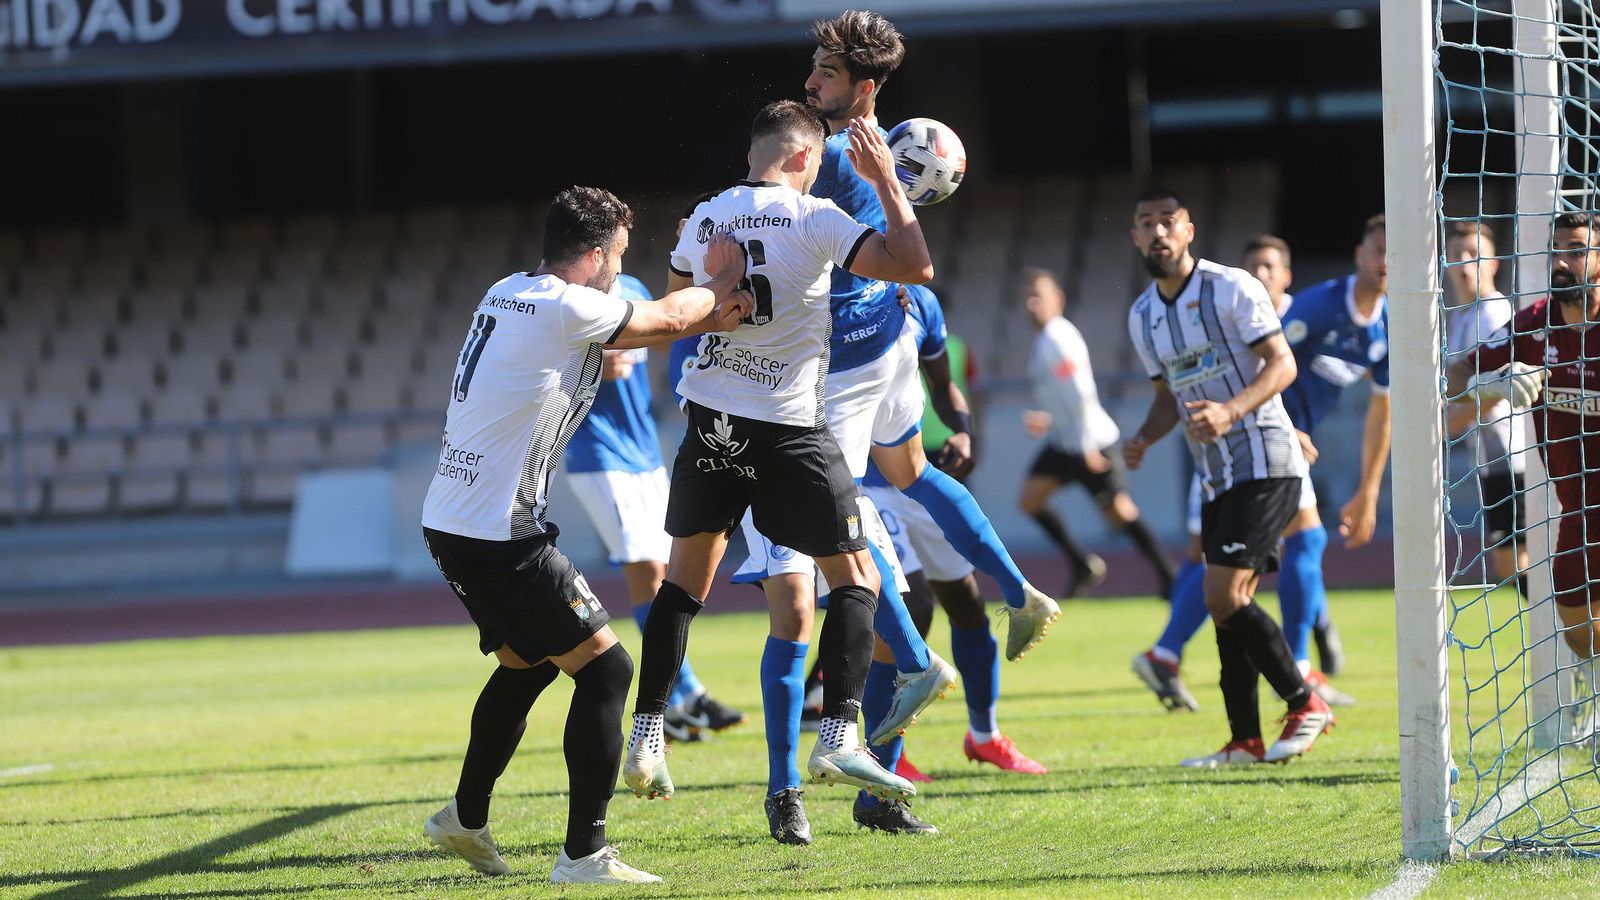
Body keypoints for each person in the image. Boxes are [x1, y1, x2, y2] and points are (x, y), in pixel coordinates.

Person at [418, 186, 749, 884]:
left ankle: (464, 817)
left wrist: (607, 353)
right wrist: (721, 278)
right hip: (497, 530)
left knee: (527, 663)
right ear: (595, 256)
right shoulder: (569, 305)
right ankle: (583, 854)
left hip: (451, 519)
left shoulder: (508, 289)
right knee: (607, 669)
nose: (617, 271)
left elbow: (545, 362)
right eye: (618, 257)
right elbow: (665, 315)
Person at [623, 100, 936, 809]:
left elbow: (677, 316)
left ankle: (646, 732)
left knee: (681, 588)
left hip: (712, 424)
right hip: (790, 429)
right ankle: (838, 736)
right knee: (857, 578)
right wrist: (887, 180)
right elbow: (915, 266)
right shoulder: (815, 215)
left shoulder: (706, 217)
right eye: (819, 160)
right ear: (801, 157)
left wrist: (718, 289)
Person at [1123, 189, 1333, 767]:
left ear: (1188, 230)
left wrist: (1230, 411)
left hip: (1267, 461)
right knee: (1228, 603)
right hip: (1216, 476)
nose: (1159, 232)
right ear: (1135, 238)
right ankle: (1245, 740)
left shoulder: (1230, 287)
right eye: (1147, 224)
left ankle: (1303, 699)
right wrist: (1144, 436)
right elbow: (1167, 400)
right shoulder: (1143, 317)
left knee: (1222, 592)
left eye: (1169, 221)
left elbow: (1282, 364)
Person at [863, 283, 1049, 777]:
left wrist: (962, 427)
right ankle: (887, 757)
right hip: (867, 484)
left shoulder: (919, 302)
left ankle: (985, 735)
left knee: (965, 603)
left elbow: (943, 384)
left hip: (922, 474)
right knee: (912, 607)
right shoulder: (829, 294)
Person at [564, 273, 746, 744]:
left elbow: (666, 337)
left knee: (665, 574)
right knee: (648, 573)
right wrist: (586, 360)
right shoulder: (572, 301)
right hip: (599, 454)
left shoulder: (636, 290)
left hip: (643, 452)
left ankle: (672, 708)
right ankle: (686, 695)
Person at [1450, 211, 1600, 731]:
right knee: (1574, 622)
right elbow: (1457, 373)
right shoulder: (1534, 324)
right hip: (1577, 509)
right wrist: (1490, 385)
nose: (1561, 261)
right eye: (1556, 249)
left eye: (1577, 249)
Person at [1017, 267, 1177, 600]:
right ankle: (1082, 564)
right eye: (1028, 297)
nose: (1032, 304)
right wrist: (1048, 418)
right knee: (1030, 500)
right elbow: (1065, 396)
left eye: (1039, 297)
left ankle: (1170, 576)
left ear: (1057, 300)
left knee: (1120, 513)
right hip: (1065, 442)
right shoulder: (1045, 339)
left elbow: (1081, 390)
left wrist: (1088, 445)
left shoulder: (1059, 337)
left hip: (1090, 442)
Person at [1443, 221, 1528, 599]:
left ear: (1494, 263)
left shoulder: (1494, 313)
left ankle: (1578, 642)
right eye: (1457, 255)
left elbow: (1503, 387)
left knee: (1518, 562)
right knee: (1510, 564)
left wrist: (1449, 423)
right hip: (1491, 459)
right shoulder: (1460, 316)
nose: (1464, 263)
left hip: (1515, 457)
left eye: (1474, 255)